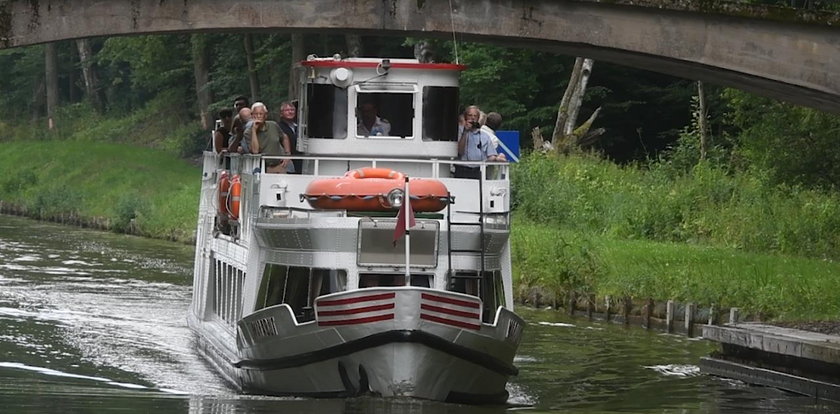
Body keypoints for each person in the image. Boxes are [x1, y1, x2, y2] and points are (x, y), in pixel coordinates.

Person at [455, 105, 505, 179]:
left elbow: (491, 156)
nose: (472, 118)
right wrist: (465, 131)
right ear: (465, 117)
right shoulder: (458, 132)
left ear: (478, 118)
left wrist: (497, 158)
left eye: (475, 116)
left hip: (478, 171)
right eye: (470, 115)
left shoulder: (485, 136)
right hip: (462, 170)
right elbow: (460, 152)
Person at [246, 102, 292, 174]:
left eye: (261, 114)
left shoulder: (273, 125)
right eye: (255, 114)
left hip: (279, 165)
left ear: (266, 115)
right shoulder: (248, 132)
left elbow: (284, 137)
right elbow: (255, 151)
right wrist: (254, 130)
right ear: (252, 116)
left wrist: (287, 154)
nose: (258, 116)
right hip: (262, 168)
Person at [278, 101, 302, 174]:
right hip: (286, 161)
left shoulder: (299, 127)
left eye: (292, 110)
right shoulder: (278, 127)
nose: (290, 112)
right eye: (287, 110)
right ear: (281, 113)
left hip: (300, 160)